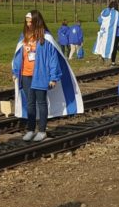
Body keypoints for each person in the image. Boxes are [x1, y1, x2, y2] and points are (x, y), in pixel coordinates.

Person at [11, 11, 82, 142]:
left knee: (41, 103)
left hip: (41, 76)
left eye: (30, 21)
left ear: (37, 21)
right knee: (30, 103)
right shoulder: (23, 36)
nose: (28, 24)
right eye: (26, 21)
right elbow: (18, 56)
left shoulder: (46, 38)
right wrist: (15, 72)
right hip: (26, 75)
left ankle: (42, 130)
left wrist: (53, 77)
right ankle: (31, 129)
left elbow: (52, 59)